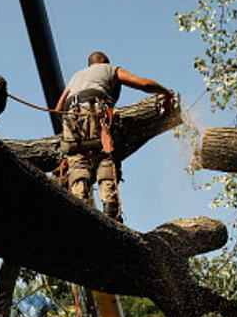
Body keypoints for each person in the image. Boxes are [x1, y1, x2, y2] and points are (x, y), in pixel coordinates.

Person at [54, 51, 173, 221]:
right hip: (96, 109)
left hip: (71, 118)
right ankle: (111, 208)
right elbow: (144, 84)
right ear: (103, 61)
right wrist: (166, 93)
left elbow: (58, 109)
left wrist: (73, 124)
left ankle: (78, 204)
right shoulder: (109, 69)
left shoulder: (76, 76)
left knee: (78, 160)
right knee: (105, 157)